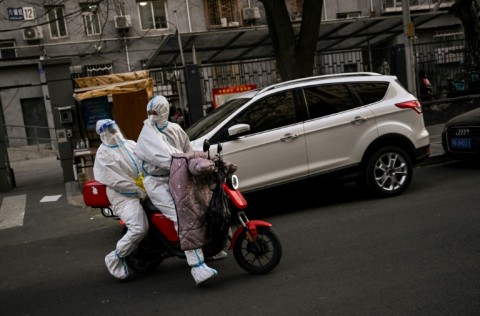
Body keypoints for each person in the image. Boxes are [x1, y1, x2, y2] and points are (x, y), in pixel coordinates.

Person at [134, 95, 225, 285]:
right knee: (182, 215)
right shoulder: (147, 136)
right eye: (150, 112)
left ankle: (209, 250)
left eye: (157, 112)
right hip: (158, 183)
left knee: (201, 207)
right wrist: (189, 162)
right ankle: (197, 266)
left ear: (166, 111)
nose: (153, 116)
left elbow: (187, 150)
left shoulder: (175, 129)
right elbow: (169, 159)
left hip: (179, 176)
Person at [93, 119, 148, 280]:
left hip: (144, 190)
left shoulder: (129, 144)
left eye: (114, 128)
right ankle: (115, 257)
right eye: (109, 130)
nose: (113, 132)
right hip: (124, 197)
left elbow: (145, 160)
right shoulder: (103, 154)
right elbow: (116, 182)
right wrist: (138, 190)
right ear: (102, 134)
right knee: (139, 228)